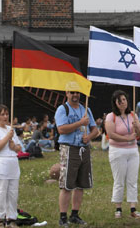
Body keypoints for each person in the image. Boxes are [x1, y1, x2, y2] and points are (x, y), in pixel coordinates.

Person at [55, 85, 98, 227]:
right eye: (72, 92)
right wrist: (80, 123)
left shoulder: (85, 109)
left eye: (77, 92)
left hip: (84, 149)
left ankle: (75, 214)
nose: (75, 95)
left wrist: (89, 137)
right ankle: (63, 217)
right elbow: (61, 129)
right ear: (66, 93)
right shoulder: (63, 109)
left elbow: (95, 130)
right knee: (67, 185)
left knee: (81, 184)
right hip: (69, 149)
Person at [105, 90, 140, 219]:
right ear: (115, 103)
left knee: (132, 180)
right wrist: (127, 139)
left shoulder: (133, 115)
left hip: (133, 151)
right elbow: (111, 134)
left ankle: (133, 208)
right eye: (119, 101)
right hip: (117, 151)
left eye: (124, 100)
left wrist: (137, 127)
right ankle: (118, 208)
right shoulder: (111, 116)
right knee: (119, 180)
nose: (122, 103)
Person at [0, 104, 22, 228]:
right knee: (0, 192)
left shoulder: (10, 129)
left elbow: (19, 147)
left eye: (7, 114)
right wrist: (7, 137)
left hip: (12, 164)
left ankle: (11, 218)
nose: (6, 116)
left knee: (12, 193)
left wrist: (14, 147)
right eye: (3, 114)